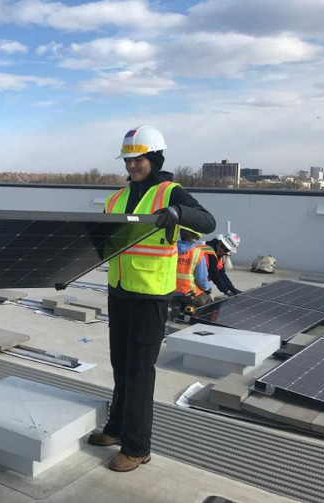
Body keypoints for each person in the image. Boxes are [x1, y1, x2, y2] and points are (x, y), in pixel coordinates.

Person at [88, 125, 216, 472]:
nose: (132, 165)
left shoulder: (170, 192)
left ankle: (138, 447)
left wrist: (179, 214)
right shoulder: (116, 198)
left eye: (139, 159)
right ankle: (116, 429)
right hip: (120, 290)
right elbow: (103, 239)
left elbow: (207, 221)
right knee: (121, 365)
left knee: (140, 372)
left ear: (155, 158)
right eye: (128, 160)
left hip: (151, 296)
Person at [173, 228, 213, 309]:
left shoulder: (171, 249)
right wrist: (208, 288)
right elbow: (202, 279)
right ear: (195, 236)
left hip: (170, 293)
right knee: (209, 303)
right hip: (190, 295)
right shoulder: (197, 253)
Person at [202, 232, 242, 296]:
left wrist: (232, 289)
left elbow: (221, 273)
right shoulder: (209, 251)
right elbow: (214, 274)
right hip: (192, 282)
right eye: (221, 246)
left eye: (226, 249)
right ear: (219, 241)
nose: (221, 250)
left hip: (200, 282)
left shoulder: (220, 255)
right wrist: (226, 291)